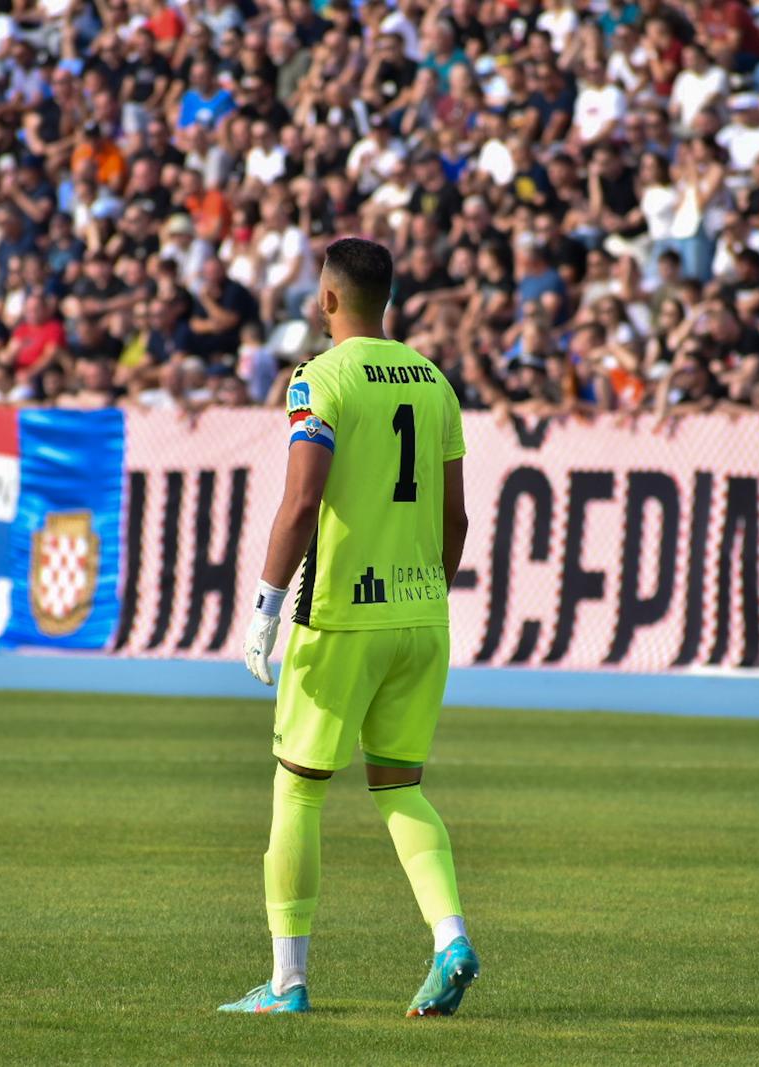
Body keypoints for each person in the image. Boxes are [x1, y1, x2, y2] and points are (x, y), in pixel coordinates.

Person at [227, 237, 476, 1016]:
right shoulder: (434, 381)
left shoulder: (318, 379)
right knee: (400, 785)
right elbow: (456, 516)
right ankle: (451, 937)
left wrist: (265, 607)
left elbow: (301, 501)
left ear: (329, 299)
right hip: (422, 614)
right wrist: (424, 591)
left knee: (298, 790)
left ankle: (287, 982)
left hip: (340, 615)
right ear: (388, 298)